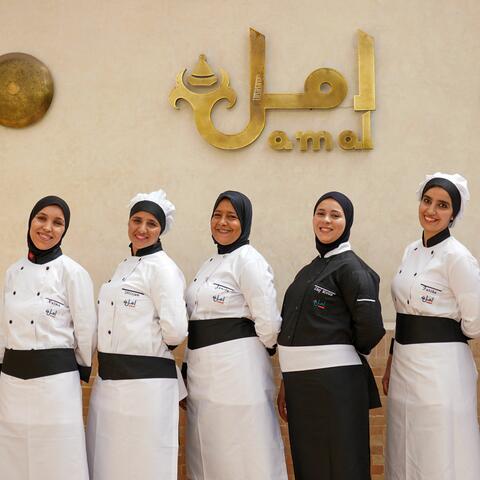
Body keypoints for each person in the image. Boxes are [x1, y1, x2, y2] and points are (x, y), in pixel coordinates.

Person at [277, 191, 385, 480]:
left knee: (342, 462)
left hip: (336, 384)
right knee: (310, 462)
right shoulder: (308, 270)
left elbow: (371, 329)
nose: (326, 220)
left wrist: (339, 355)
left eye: (335, 215)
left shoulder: (353, 269)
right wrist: (287, 380)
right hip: (301, 385)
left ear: (347, 222)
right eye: (320, 213)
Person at [184, 190, 287, 480]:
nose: (222, 222)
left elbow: (268, 322)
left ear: (246, 222)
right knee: (210, 451)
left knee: (242, 451)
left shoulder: (249, 261)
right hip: (203, 376)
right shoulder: (209, 264)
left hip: (239, 374)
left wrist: (254, 351)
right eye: (217, 215)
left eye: (232, 216)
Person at [383, 172, 480, 480]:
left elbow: (475, 322)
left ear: (453, 214)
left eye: (442, 205)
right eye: (427, 201)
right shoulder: (410, 250)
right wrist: (390, 361)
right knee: (404, 444)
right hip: (404, 366)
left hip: (441, 370)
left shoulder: (458, 258)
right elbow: (403, 310)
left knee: (438, 447)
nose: (431, 210)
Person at [86, 189, 188, 480]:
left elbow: (176, 330)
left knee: (144, 463)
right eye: (137, 220)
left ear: (162, 229)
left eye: (151, 224)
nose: (142, 229)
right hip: (110, 382)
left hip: (147, 388)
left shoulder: (164, 269)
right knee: (109, 461)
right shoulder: (123, 266)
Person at [0, 195, 96, 480]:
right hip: (13, 382)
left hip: (56, 383)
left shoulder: (73, 272)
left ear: (64, 230)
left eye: (58, 223)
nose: (47, 228)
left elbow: (85, 328)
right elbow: (4, 326)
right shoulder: (12, 272)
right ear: (30, 221)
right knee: (14, 453)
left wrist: (75, 366)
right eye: (41, 218)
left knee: (58, 456)